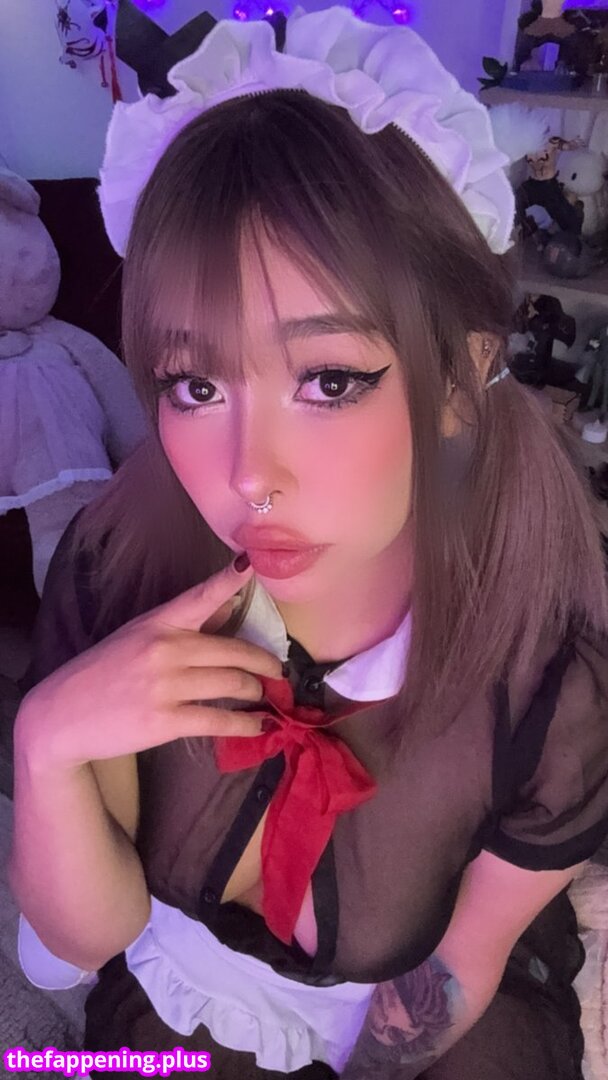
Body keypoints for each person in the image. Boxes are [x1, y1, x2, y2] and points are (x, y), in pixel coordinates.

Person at [8, 7, 608, 1079]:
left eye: (328, 380)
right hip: (187, 1004)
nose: (249, 474)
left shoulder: (547, 673)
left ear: (459, 379)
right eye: (194, 386)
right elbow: (73, 948)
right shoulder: (119, 571)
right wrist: (49, 741)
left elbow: (452, 978)